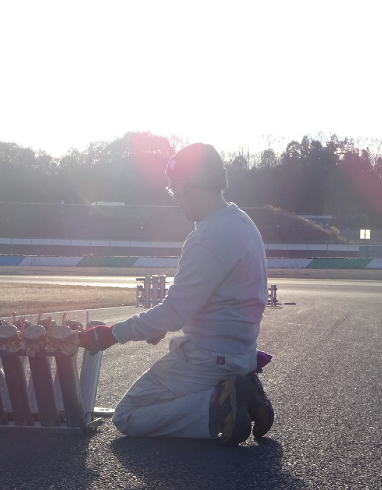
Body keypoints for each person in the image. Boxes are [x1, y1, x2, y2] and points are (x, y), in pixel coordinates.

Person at [80, 143, 273, 445]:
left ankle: (219, 406)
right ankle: (239, 391)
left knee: (127, 415)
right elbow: (219, 297)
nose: (175, 200)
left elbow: (173, 312)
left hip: (208, 358)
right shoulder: (243, 222)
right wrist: (164, 323)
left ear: (191, 187)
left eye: (174, 190)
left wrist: (114, 333)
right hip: (242, 352)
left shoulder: (207, 236)